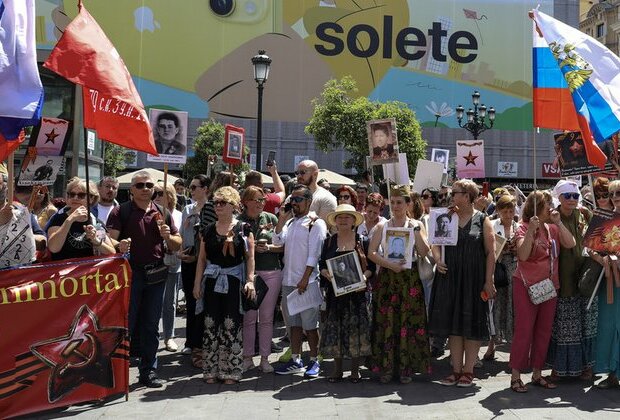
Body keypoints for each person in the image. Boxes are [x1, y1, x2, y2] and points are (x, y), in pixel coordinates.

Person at [107, 171, 182, 388]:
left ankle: (148, 371)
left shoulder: (163, 212)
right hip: (130, 274)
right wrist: (118, 246)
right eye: (140, 185)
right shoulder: (121, 211)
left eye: (149, 185)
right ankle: (117, 373)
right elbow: (109, 240)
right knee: (126, 323)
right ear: (131, 190)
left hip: (156, 274)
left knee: (151, 325)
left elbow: (177, 244)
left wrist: (169, 236)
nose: (145, 189)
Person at [429, 179, 496, 388]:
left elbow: (491, 253)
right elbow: (436, 244)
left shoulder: (483, 219)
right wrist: (437, 259)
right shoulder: (445, 216)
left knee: (472, 324)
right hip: (450, 277)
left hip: (474, 280)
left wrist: (488, 280)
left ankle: (469, 371)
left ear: (466, 196)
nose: (451, 196)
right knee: (454, 325)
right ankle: (455, 371)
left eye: (455, 192)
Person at [508, 190, 575, 393]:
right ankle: (516, 375)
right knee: (524, 329)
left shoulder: (552, 228)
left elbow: (570, 243)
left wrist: (558, 222)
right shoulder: (522, 227)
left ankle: (537, 373)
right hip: (526, 284)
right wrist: (530, 232)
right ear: (536, 207)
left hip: (549, 286)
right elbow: (523, 254)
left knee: (544, 330)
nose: (552, 208)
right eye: (548, 205)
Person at [368, 184, 432, 384]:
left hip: (409, 279)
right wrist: (389, 265)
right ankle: (387, 368)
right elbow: (372, 253)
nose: (395, 206)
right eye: (393, 202)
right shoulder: (382, 226)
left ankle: (406, 368)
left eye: (399, 202)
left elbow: (423, 252)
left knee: (408, 322)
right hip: (388, 278)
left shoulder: (416, 225)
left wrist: (416, 232)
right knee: (387, 321)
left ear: (408, 204)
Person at [192, 186, 256, 384]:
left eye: (222, 202)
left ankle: (231, 371)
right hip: (211, 280)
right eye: (216, 202)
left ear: (234, 206)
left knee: (231, 324)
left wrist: (250, 280)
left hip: (234, 281)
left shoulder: (244, 229)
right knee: (211, 324)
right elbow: (201, 259)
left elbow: (250, 257)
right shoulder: (208, 229)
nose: (218, 206)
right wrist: (197, 284)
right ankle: (210, 370)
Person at [273, 184, 328, 378]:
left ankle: (314, 359)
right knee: (294, 325)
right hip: (289, 280)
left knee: (310, 326)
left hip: (307, 282)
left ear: (309, 201)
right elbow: (278, 241)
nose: (294, 203)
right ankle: (295, 360)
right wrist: (282, 218)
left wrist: (305, 278)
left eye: (298, 200)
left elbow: (314, 254)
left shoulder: (316, 223)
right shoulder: (290, 223)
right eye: (292, 200)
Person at [546, 180, 596, 381]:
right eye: (568, 196)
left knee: (587, 325)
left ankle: (587, 367)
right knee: (563, 326)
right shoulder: (551, 217)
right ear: (559, 197)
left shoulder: (585, 214)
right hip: (562, 279)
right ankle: (558, 369)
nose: (572, 200)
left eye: (575, 196)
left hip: (585, 277)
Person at [319, 204, 374, 383]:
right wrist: (325, 273)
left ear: (353, 221)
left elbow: (371, 268)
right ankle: (337, 370)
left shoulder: (362, 240)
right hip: (336, 295)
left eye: (347, 217)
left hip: (357, 295)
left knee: (356, 331)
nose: (343, 220)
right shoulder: (328, 242)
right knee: (336, 330)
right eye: (340, 217)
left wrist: (364, 279)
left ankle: (355, 371)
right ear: (335, 221)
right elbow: (321, 265)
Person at [239, 186, 283, 374]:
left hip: (271, 272)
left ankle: (265, 358)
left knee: (266, 317)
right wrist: (252, 247)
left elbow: (282, 246)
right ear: (246, 201)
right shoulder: (239, 222)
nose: (260, 203)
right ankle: (247, 357)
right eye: (256, 199)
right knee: (248, 318)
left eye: (263, 200)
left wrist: (269, 248)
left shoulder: (271, 219)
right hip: (249, 274)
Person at [591, 180, 620, 389]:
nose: (616, 196)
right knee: (608, 327)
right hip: (608, 281)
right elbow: (589, 248)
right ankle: (611, 372)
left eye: (619, 192)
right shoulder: (603, 217)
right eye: (613, 193)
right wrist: (603, 260)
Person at [179, 175, 210, 366]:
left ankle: (204, 341)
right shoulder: (187, 209)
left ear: (205, 188)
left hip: (206, 260)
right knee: (191, 300)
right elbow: (183, 235)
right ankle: (191, 341)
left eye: (194, 187)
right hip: (189, 259)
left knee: (206, 302)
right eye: (190, 187)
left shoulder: (213, 208)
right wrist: (182, 253)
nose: (191, 191)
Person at [484, 194, 518, 361]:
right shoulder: (491, 225)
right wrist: (500, 250)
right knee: (495, 307)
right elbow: (488, 251)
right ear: (498, 211)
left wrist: (514, 249)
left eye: (511, 211)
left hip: (513, 271)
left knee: (512, 307)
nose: (508, 215)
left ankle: (513, 347)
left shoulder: (518, 227)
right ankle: (492, 345)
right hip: (497, 270)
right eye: (505, 211)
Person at [47, 178, 116, 260]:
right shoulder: (58, 218)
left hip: (88, 272)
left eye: (81, 195)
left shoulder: (95, 222)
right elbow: (53, 248)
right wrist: (70, 220)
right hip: (62, 270)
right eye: (71, 194)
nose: (75, 198)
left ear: (91, 199)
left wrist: (96, 240)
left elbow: (112, 253)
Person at [153, 183, 183, 353]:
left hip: (172, 260)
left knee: (169, 302)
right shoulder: (150, 213)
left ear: (170, 196)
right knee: (153, 301)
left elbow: (180, 239)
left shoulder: (177, 214)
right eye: (155, 193)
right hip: (154, 262)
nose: (156, 196)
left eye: (161, 193)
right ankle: (152, 335)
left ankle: (169, 336)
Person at [0, 174, 36, 268]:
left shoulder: (22, 211)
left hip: (19, 276)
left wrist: (26, 236)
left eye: (2, 183)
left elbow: (42, 239)